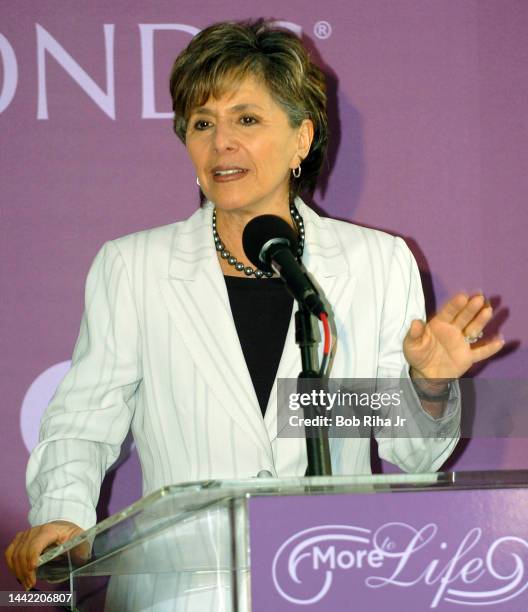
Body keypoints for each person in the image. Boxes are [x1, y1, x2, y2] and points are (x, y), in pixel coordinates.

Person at [6, 19, 503, 607]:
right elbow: (81, 424)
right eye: (202, 124)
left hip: (328, 587)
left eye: (247, 119)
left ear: (301, 138)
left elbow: (412, 454)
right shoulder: (132, 268)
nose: (222, 144)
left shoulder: (377, 263)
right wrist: (62, 517)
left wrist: (426, 387)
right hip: (180, 597)